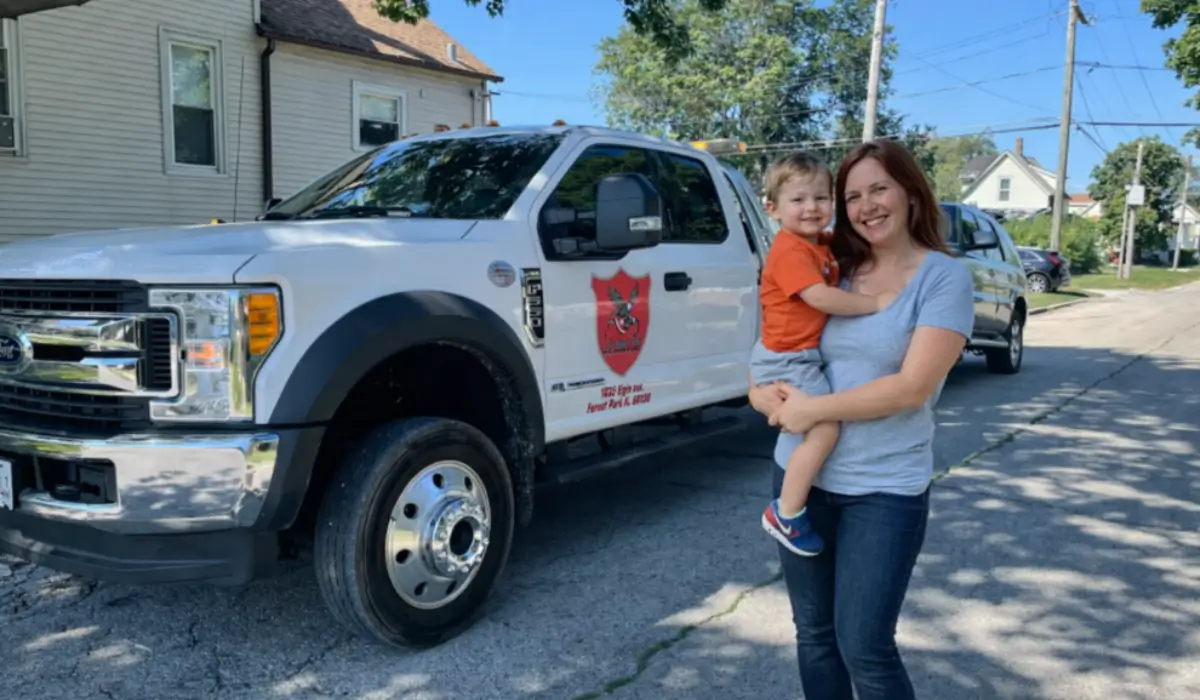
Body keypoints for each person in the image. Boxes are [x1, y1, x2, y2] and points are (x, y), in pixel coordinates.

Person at [748, 139, 975, 700]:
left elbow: (911, 387)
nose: (865, 205)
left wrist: (811, 410)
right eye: (852, 196)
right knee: (816, 636)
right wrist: (760, 397)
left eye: (879, 189)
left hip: (883, 489)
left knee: (865, 646)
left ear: (910, 192)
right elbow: (776, 345)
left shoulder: (942, 279)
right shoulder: (830, 266)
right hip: (802, 483)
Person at [750, 151, 894, 557]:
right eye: (798, 200)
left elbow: (844, 243)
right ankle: (787, 513)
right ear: (773, 209)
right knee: (824, 428)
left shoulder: (815, 243)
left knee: (815, 428)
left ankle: (792, 504)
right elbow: (819, 297)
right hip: (789, 358)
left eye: (821, 198)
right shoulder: (791, 251)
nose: (811, 208)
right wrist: (876, 303)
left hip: (792, 353)